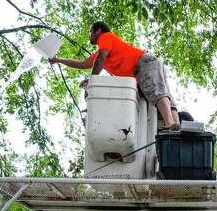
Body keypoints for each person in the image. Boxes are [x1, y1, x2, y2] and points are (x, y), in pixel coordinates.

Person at [50, 22, 180, 130]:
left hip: (143, 63)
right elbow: (83, 64)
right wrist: (58, 60)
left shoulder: (106, 37)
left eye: (91, 32)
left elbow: (102, 57)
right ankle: (176, 128)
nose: (90, 35)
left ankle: (170, 123)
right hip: (146, 65)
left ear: (98, 30)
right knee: (164, 94)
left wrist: (93, 81)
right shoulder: (101, 51)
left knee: (157, 92)